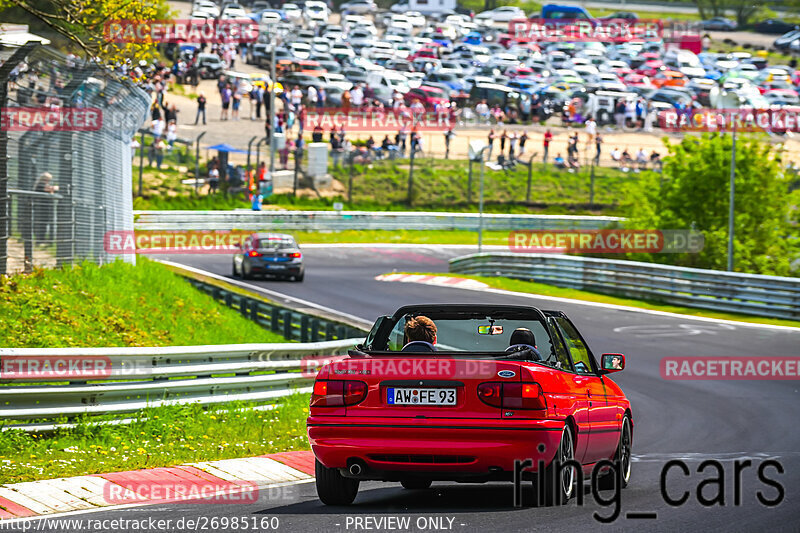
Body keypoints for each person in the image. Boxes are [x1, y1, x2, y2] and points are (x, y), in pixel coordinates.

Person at [32, 172, 58, 241]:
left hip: (44, 207)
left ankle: (41, 238)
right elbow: (49, 189)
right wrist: (54, 188)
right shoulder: (40, 184)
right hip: (41, 207)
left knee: (44, 223)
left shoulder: (42, 184)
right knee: (41, 223)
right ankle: (40, 239)